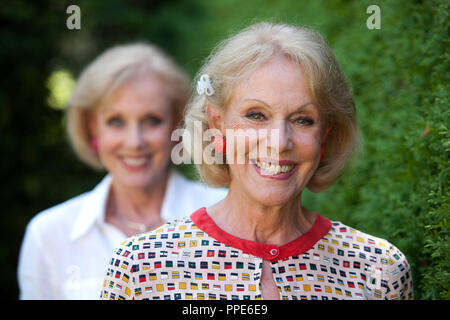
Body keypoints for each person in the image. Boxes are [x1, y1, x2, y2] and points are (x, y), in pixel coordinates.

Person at [100, 23, 413, 300]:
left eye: (303, 120)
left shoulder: (379, 269)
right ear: (217, 124)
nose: (279, 142)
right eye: (256, 116)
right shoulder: (143, 268)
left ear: (325, 133)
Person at [18, 43, 227, 299]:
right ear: (93, 129)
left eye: (152, 120)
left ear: (178, 126)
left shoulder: (227, 213)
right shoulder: (49, 234)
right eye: (115, 121)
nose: (134, 142)